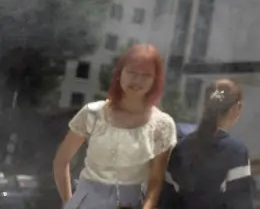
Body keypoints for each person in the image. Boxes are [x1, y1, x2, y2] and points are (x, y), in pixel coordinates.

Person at [53, 44, 177, 209]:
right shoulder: (92, 113)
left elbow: (155, 181)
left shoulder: (162, 125)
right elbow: (61, 160)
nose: (137, 80)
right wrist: (69, 202)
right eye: (132, 72)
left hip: (130, 204)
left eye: (146, 75)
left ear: (155, 80)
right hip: (86, 201)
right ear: (120, 74)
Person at [159, 79, 253, 209]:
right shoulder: (236, 151)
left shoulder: (181, 147)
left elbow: (167, 200)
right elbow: (240, 203)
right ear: (236, 108)